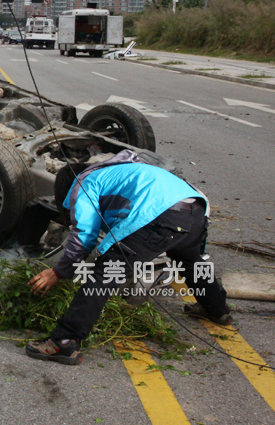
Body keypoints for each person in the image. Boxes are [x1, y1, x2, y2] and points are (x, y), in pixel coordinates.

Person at [25, 150, 231, 365]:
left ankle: (64, 342)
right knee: (189, 259)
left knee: (103, 274)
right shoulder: (117, 170)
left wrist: (58, 272)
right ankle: (217, 309)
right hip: (195, 210)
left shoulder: (84, 183)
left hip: (162, 216)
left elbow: (85, 234)